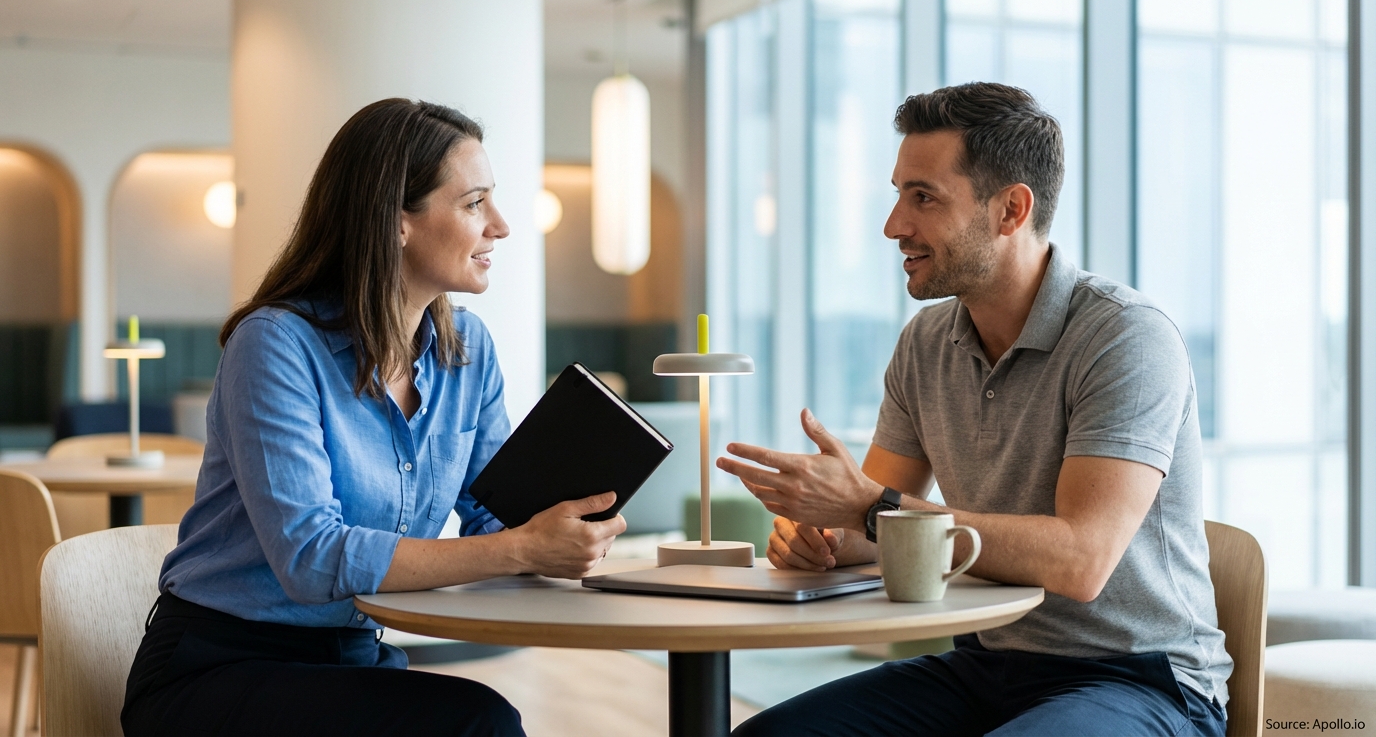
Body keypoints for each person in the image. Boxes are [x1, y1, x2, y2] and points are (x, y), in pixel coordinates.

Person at [720, 83, 1231, 737]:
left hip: (1140, 677)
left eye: (923, 197)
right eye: (899, 193)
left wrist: (866, 507)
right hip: (985, 664)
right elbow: (879, 522)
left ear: (1011, 209)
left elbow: (1080, 561)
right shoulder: (926, 343)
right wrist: (822, 534)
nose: (894, 225)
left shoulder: (1126, 337)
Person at [121, 98, 626, 737]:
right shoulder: (274, 344)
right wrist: (521, 547)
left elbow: (494, 515)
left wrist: (564, 526)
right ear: (396, 222)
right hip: (219, 669)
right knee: (479, 723)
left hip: (353, 659)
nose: (500, 225)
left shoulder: (466, 354)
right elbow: (310, 558)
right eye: (474, 203)